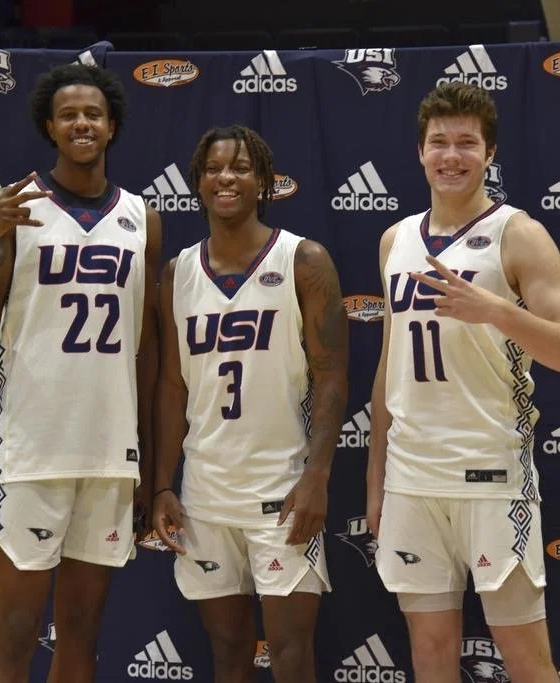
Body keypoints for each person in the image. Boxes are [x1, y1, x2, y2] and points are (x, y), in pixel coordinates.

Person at [366, 82, 560, 683]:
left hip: (492, 474)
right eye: (439, 142)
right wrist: (376, 479)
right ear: (420, 151)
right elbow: (389, 367)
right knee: (430, 654)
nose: (452, 156)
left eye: (467, 143)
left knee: (525, 658)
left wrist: (496, 310)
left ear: (490, 153)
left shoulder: (518, 234)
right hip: (411, 478)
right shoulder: (395, 240)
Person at [0, 63, 161, 683]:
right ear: (50, 126)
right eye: (68, 114)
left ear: (112, 126)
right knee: (16, 632)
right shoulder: (17, 210)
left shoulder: (142, 217)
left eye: (93, 113)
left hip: (109, 453)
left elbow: (147, 347)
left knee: (82, 636)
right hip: (33, 449)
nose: (81, 123)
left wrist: (147, 456)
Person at [152, 125, 348, 683]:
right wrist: (162, 484)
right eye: (214, 169)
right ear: (197, 183)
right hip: (205, 494)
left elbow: (332, 376)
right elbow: (172, 386)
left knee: (291, 655)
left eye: (240, 168)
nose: (226, 178)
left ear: (263, 182)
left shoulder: (303, 259)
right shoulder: (177, 274)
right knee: (228, 653)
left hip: (281, 490)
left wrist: (317, 476)